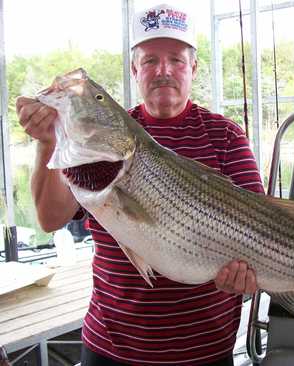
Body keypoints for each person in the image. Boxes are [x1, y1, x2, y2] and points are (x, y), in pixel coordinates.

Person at [16, 3, 264, 366]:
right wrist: (47, 142)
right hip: (110, 348)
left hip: (204, 351)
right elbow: (50, 219)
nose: (163, 71)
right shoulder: (97, 145)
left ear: (193, 68)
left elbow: (261, 229)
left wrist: (248, 276)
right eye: (149, 61)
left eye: (176, 60)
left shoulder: (225, 136)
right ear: (134, 70)